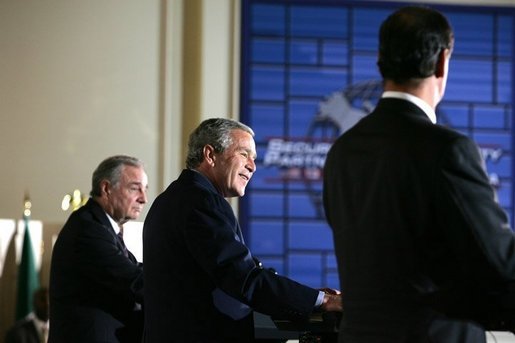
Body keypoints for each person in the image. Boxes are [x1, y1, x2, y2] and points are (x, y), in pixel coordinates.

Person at [323, 5, 515, 343]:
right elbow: (499, 268)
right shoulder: (447, 150)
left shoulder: (342, 151)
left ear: (381, 58)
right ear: (442, 61)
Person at [143, 118, 342, 342]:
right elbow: (244, 278)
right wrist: (323, 301)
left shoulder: (176, 197)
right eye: (244, 154)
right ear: (210, 155)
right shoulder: (201, 202)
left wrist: (309, 297)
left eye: (254, 158)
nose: (253, 166)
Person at [48, 155, 148, 343]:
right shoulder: (87, 230)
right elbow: (132, 279)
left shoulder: (102, 227)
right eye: (135, 188)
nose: (143, 198)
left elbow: (135, 268)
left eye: (145, 189)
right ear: (106, 188)